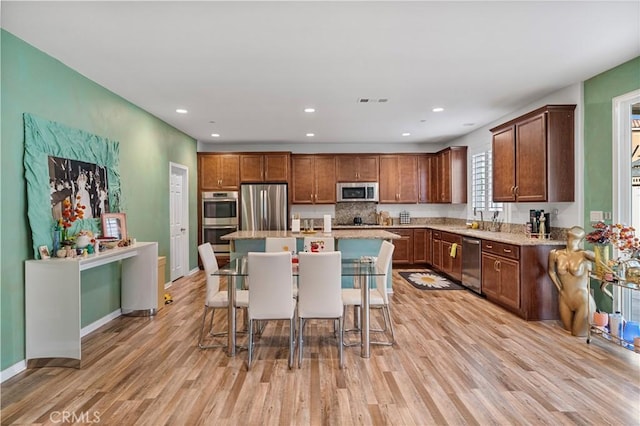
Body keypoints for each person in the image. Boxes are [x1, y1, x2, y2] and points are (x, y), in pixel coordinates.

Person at [548, 226, 596, 336]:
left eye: (574, 238)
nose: (571, 240)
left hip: (582, 300)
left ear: (581, 240)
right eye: (569, 237)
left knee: (577, 334)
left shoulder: (585, 254)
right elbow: (551, 272)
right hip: (564, 298)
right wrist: (559, 288)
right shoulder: (555, 254)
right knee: (567, 332)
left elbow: (606, 263)